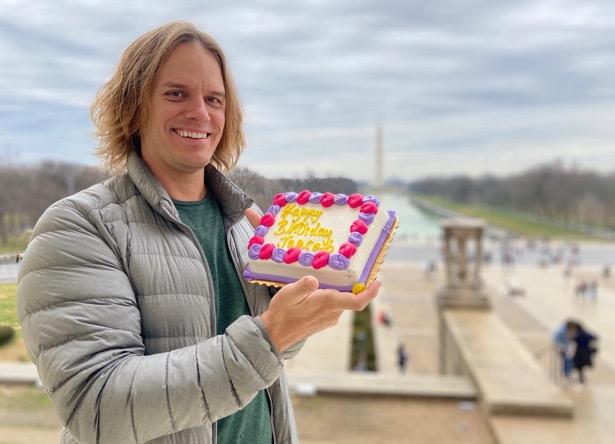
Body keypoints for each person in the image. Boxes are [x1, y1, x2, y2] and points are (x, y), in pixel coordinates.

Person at [16, 21, 380, 444]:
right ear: (134, 107)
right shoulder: (79, 227)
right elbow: (96, 407)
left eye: (214, 99)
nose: (201, 113)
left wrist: (296, 318)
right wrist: (270, 334)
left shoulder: (247, 226)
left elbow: (270, 360)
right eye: (176, 94)